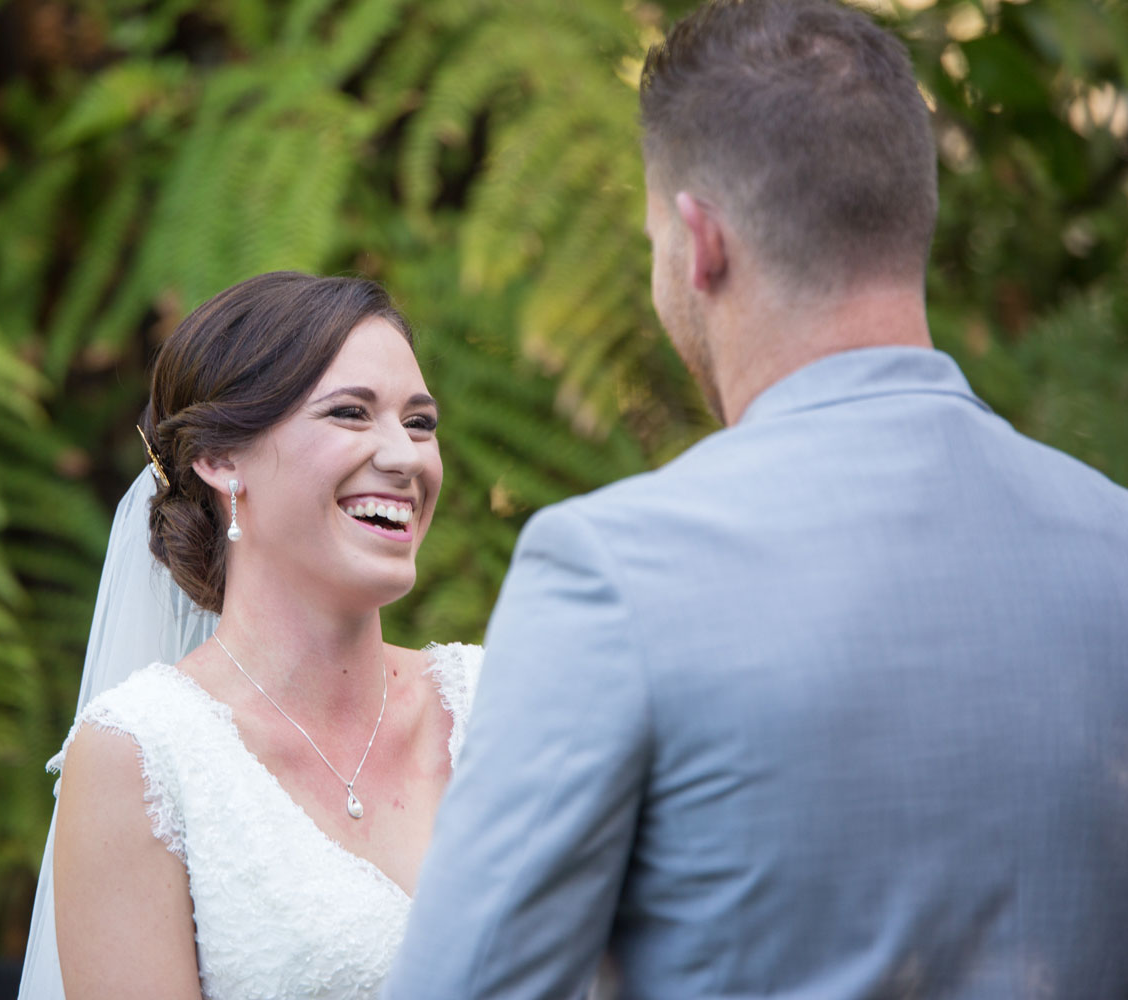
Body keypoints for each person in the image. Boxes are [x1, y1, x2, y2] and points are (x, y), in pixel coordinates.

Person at [385, 0, 1128, 997]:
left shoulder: (614, 569)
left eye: (652, 240)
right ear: (911, 217)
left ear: (700, 242)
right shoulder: (1110, 541)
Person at [16, 271, 483, 1000]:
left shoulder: (498, 704)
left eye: (419, 423)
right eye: (352, 414)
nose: (406, 458)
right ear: (222, 459)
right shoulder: (140, 758)